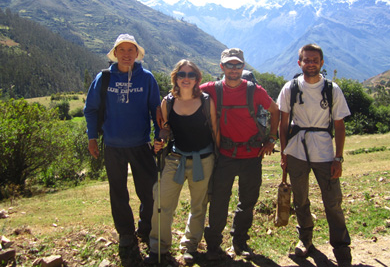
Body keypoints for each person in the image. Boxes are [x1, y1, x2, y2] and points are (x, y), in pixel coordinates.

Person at [84, 34, 161, 262]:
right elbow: (91, 109)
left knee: (149, 191)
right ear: (115, 53)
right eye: (122, 50)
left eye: (131, 50)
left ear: (137, 54)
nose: (127, 54)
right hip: (113, 145)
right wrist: (92, 138)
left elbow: (156, 111)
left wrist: (159, 137)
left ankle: (145, 228)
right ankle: (126, 234)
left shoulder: (146, 78)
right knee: (118, 192)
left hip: (141, 144)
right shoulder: (104, 78)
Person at [200, 48, 280, 260]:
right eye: (229, 65)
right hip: (224, 156)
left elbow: (276, 110)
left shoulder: (255, 91)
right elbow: (185, 92)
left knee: (248, 201)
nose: (234, 69)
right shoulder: (212, 89)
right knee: (219, 201)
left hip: (252, 156)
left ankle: (239, 242)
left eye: (237, 65)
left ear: (243, 66)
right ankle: (214, 245)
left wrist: (272, 139)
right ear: (222, 67)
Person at [277, 43, 352, 267]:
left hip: (325, 153)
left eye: (314, 60)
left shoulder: (332, 89)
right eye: (306, 60)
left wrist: (338, 157)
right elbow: (282, 125)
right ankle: (305, 240)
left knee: (333, 200)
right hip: (297, 152)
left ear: (321, 63)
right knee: (300, 200)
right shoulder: (290, 88)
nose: (310, 63)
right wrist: (284, 153)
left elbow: (339, 126)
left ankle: (340, 245)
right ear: (299, 63)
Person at [145, 60, 219, 265]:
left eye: (191, 74)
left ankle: (190, 246)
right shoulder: (167, 102)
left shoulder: (206, 102)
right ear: (176, 77)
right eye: (182, 74)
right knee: (161, 202)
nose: (186, 78)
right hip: (175, 158)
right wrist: (160, 141)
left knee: (198, 205)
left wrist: (219, 157)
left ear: (197, 79)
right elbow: (165, 130)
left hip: (203, 160)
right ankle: (158, 248)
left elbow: (215, 131)